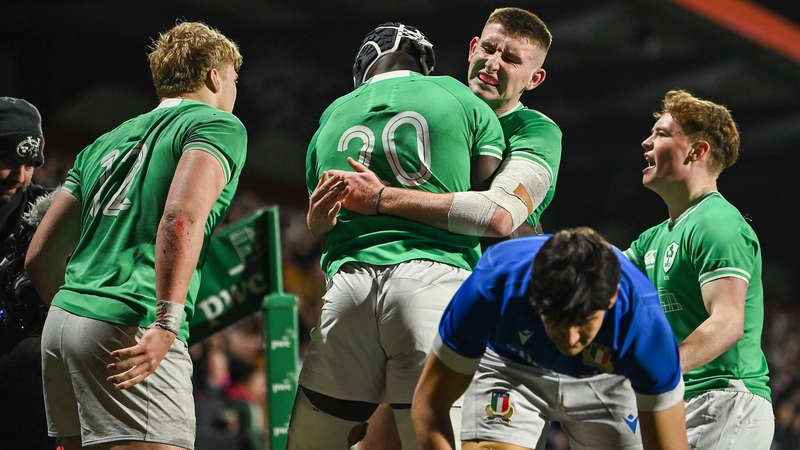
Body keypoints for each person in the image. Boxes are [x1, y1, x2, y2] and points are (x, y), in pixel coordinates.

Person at [24, 21, 247, 450]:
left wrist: (80, 316)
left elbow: (39, 256)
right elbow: (181, 217)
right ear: (215, 77)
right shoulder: (218, 126)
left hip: (63, 324)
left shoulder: (102, 142)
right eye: (235, 79)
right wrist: (166, 323)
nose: (235, 90)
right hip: (132, 320)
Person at [287, 22, 506, 450]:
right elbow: (485, 177)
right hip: (434, 280)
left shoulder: (331, 115)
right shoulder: (459, 96)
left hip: (348, 288)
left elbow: (323, 214)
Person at [411, 227, 689, 450]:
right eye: (556, 320)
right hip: (511, 367)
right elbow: (430, 405)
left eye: (583, 323)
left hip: (607, 380)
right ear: (534, 296)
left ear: (612, 299)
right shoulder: (490, 290)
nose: (569, 340)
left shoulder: (645, 329)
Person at [323, 7, 561, 243]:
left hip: (493, 273)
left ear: (534, 79)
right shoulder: (433, 106)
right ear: (472, 48)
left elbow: (499, 218)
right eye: (487, 49)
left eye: (510, 59)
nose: (492, 64)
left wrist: (381, 198)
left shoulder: (536, 131)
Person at [624, 89, 773, 448]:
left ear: (697, 150)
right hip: (679, 402)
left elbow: (727, 323)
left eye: (660, 134)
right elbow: (598, 277)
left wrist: (655, 372)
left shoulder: (717, 222)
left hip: (724, 401)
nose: (646, 142)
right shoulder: (653, 238)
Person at [0, 97, 57, 450]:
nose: (19, 177)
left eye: (30, 164)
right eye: (7, 161)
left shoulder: (50, 214)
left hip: (24, 372)